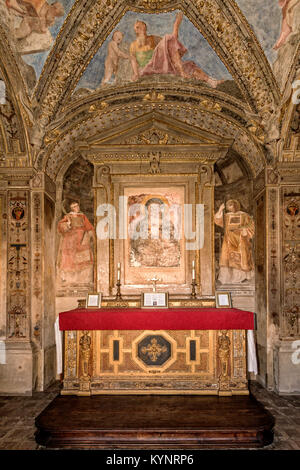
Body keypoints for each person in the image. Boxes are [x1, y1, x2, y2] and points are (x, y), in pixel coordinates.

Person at [129, 12, 224, 88]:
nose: (138, 29)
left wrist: (175, 28)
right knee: (167, 38)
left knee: (189, 65)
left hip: (162, 65)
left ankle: (211, 81)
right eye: (136, 28)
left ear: (145, 27)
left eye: (140, 26)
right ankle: (181, 71)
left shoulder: (153, 39)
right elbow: (133, 61)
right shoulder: (133, 45)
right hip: (149, 68)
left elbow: (172, 44)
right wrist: (136, 74)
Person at [214, 199, 254, 285]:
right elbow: (217, 220)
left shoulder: (244, 215)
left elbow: (251, 226)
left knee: (241, 259)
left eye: (233, 205)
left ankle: (241, 277)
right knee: (227, 259)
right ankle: (228, 278)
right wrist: (220, 209)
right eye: (230, 205)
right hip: (229, 240)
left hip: (241, 240)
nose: (232, 207)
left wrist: (243, 230)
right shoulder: (227, 216)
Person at [57, 201, 95, 286]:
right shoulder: (68, 216)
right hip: (70, 238)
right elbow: (61, 225)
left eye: (77, 206)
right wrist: (67, 224)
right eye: (74, 206)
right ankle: (68, 278)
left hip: (81, 237)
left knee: (84, 255)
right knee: (69, 256)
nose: (76, 208)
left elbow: (88, 226)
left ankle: (83, 279)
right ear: (71, 208)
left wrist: (90, 234)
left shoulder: (82, 216)